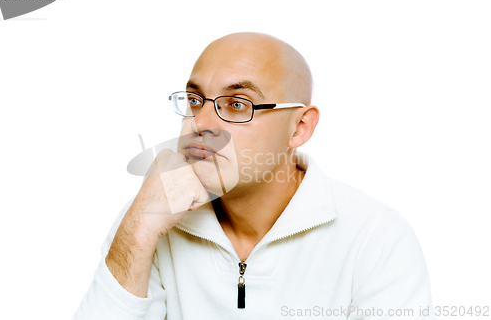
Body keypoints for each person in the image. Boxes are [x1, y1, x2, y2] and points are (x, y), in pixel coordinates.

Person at [72, 32, 435, 319]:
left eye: (237, 104)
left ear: (299, 128)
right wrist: (139, 228)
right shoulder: (151, 216)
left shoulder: (376, 239)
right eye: (195, 100)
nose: (201, 123)